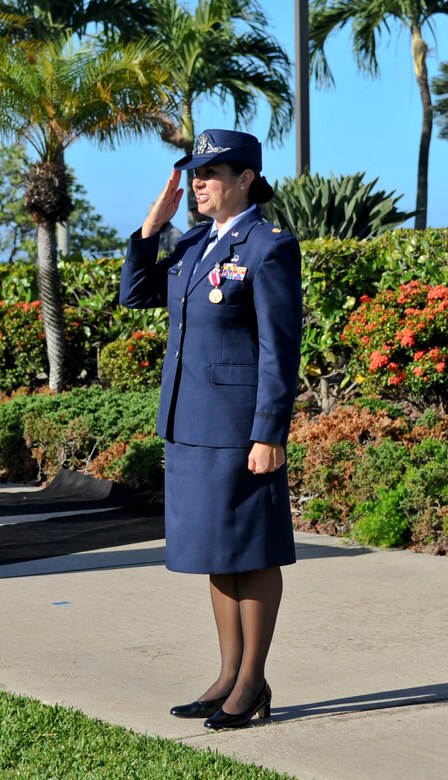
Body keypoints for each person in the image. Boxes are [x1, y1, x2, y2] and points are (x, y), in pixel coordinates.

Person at [119, 129, 302, 730]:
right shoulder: (197, 243)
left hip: (239, 426)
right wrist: (150, 230)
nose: (197, 183)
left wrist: (269, 432)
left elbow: (280, 347)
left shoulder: (268, 246)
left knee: (253, 549)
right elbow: (137, 293)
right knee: (216, 552)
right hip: (190, 421)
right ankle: (227, 674)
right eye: (193, 173)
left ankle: (251, 682)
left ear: (245, 179)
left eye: (210, 173)